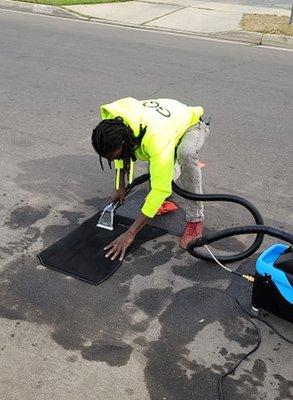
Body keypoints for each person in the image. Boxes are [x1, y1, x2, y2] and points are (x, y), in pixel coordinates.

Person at [91, 97, 210, 261]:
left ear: (125, 143)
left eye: (113, 156)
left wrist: (130, 233)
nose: (111, 161)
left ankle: (195, 220)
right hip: (167, 126)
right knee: (160, 171)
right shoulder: (114, 126)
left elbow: (160, 190)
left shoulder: (155, 138)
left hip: (191, 126)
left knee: (185, 154)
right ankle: (169, 169)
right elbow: (120, 156)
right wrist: (120, 186)